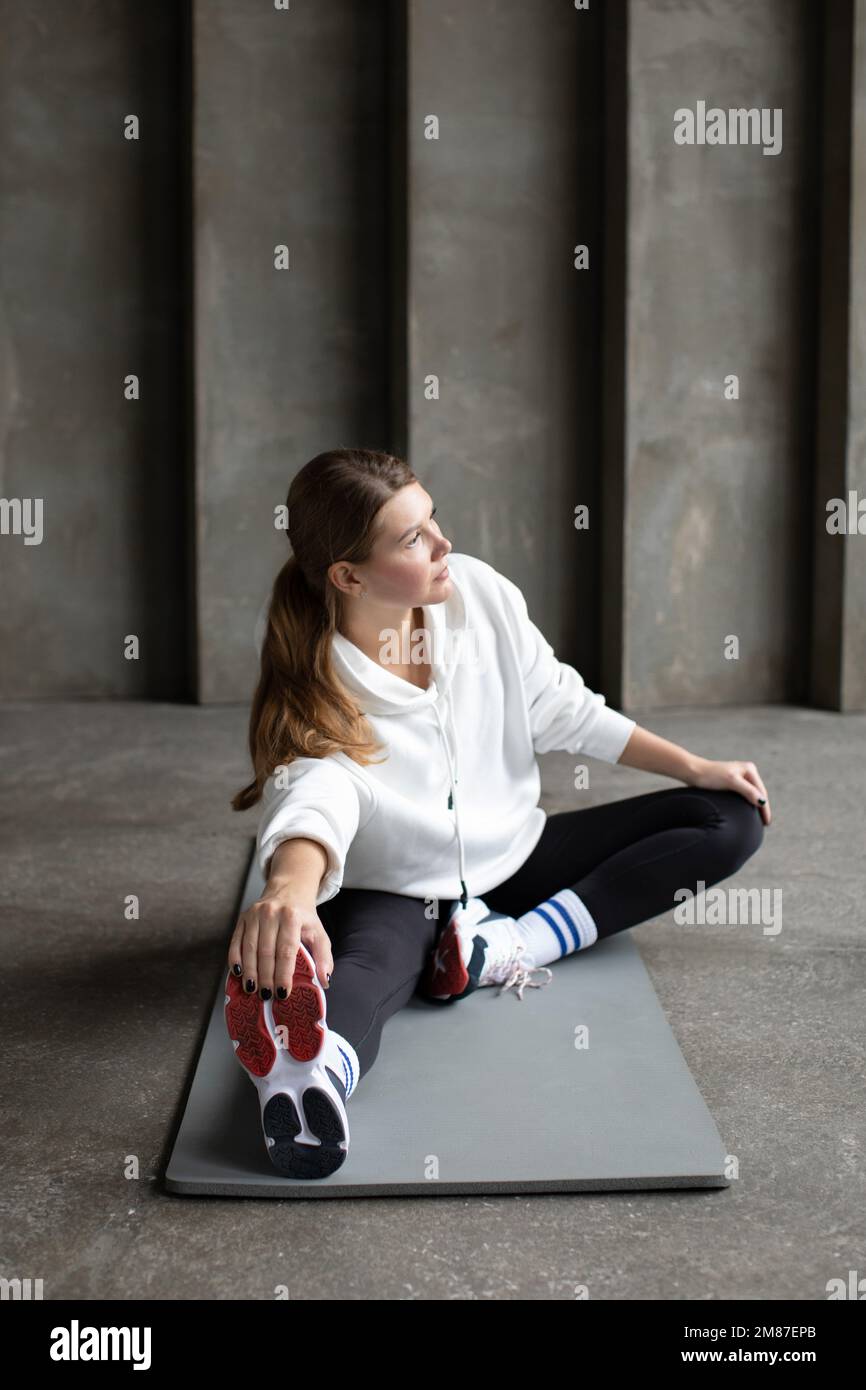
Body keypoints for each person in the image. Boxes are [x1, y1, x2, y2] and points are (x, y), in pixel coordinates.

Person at [225, 448, 769, 1180]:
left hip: (516, 854)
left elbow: (563, 706)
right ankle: (310, 1079)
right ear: (349, 576)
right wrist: (289, 888)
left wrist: (695, 766)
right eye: (412, 539)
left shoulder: (476, 593)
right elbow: (315, 795)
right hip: (401, 889)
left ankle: (507, 948)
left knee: (729, 818)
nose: (444, 544)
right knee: (368, 970)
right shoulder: (319, 681)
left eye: (433, 519)